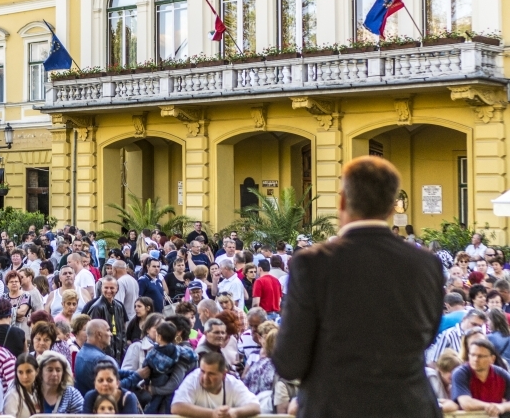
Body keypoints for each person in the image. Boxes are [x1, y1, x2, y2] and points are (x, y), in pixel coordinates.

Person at [273, 156, 445, 417]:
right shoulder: (426, 264)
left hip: (335, 408)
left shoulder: (312, 264)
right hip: (409, 407)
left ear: (342, 201)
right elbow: (427, 337)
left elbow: (289, 361)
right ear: (392, 208)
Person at [171, 352, 260, 418]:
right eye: (202, 371)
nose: (205, 377)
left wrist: (234, 412)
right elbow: (177, 406)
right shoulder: (193, 378)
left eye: (211, 374)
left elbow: (255, 406)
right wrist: (212, 414)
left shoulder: (232, 383)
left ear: (224, 374)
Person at [141, 321, 198, 414]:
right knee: (168, 403)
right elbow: (191, 355)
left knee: (153, 405)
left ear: (159, 337)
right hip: (168, 382)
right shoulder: (177, 350)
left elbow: (145, 367)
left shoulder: (153, 352)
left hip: (157, 382)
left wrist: (146, 384)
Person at [452, 339, 510, 415]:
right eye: (472, 355)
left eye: (480, 356)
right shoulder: (460, 373)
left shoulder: (502, 375)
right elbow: (466, 403)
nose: (475, 359)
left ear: (492, 359)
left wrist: (502, 407)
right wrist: (491, 407)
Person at [85, 276, 127, 363]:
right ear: (101, 288)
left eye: (112, 288)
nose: (109, 291)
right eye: (106, 288)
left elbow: (122, 331)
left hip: (118, 352)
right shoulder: (97, 307)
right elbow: (93, 334)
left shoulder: (119, 306)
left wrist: (123, 350)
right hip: (103, 353)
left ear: (117, 289)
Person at [75, 319, 117, 395]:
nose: (111, 334)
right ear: (99, 334)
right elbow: (115, 387)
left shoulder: (80, 353)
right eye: (108, 330)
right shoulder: (102, 359)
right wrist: (136, 376)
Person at [3, 354, 40, 418]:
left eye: (28, 371)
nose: (25, 377)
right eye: (20, 372)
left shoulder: (38, 389)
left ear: (37, 371)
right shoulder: (13, 395)